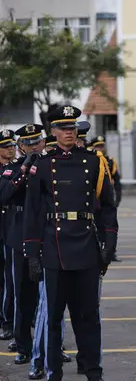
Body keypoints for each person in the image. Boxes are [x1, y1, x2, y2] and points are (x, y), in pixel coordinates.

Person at [23, 105, 118, 381]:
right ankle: (54, 371)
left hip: (86, 244)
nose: (68, 132)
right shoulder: (42, 164)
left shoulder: (93, 161)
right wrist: (32, 254)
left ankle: (93, 370)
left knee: (88, 316)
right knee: (53, 319)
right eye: (63, 128)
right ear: (53, 132)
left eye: (72, 127)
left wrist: (109, 242)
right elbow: (33, 212)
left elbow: (108, 206)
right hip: (54, 248)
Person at [0, 124, 48, 377]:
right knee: (23, 294)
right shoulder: (12, 169)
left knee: (50, 296)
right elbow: (4, 195)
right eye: (28, 144)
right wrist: (26, 169)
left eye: (36, 142)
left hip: (47, 234)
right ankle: (23, 344)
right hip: (19, 234)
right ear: (20, 147)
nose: (33, 147)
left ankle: (52, 344)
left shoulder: (52, 165)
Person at [0, 129, 16, 344]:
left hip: (11, 227)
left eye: (12, 145)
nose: (11, 149)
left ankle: (8, 320)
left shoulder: (16, 168)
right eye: (6, 146)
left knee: (9, 278)